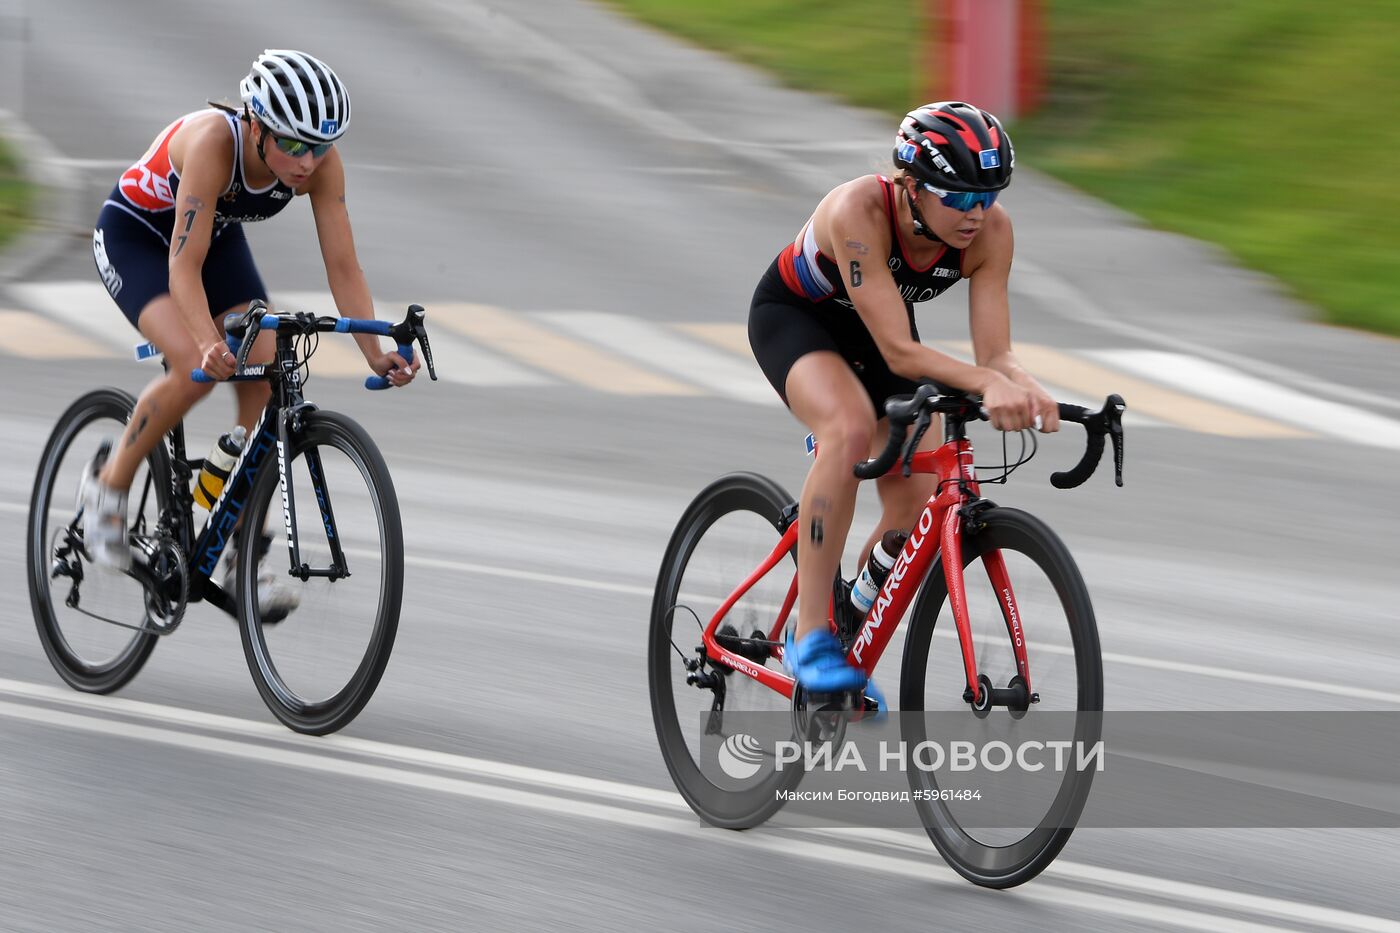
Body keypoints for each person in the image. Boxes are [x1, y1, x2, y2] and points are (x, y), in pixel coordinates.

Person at [82, 49, 420, 606]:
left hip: (213, 236)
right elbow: (181, 267)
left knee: (264, 379)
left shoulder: (320, 164)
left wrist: (374, 351)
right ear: (257, 125)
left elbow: (343, 266)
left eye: (320, 144)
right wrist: (209, 343)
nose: (307, 161)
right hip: (138, 237)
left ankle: (242, 547)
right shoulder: (216, 143)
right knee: (194, 366)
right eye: (293, 143)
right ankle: (108, 488)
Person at [748, 101, 1059, 694]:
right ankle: (809, 634)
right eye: (960, 197)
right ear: (911, 187)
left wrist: (1026, 386)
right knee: (847, 430)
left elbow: (995, 356)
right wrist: (987, 383)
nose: (977, 213)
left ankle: (848, 626)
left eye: (988, 195)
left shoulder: (990, 233)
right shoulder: (857, 211)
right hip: (799, 321)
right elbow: (899, 352)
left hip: (879, 333)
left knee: (920, 503)